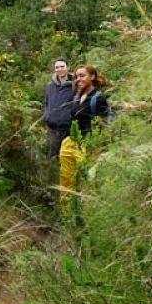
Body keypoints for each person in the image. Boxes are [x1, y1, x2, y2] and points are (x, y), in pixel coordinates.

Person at [58, 64, 111, 205]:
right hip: (71, 141)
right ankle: (67, 213)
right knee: (66, 179)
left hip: (87, 143)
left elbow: (104, 123)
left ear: (92, 76)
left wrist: (97, 146)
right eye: (76, 77)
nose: (78, 79)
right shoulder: (76, 96)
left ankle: (85, 212)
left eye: (82, 76)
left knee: (86, 179)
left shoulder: (98, 98)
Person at [44, 57, 74, 159]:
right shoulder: (50, 86)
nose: (59, 69)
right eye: (57, 67)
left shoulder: (75, 86)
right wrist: (47, 116)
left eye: (62, 66)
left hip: (68, 128)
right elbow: (46, 103)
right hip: (52, 127)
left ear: (68, 67)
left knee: (66, 156)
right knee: (53, 155)